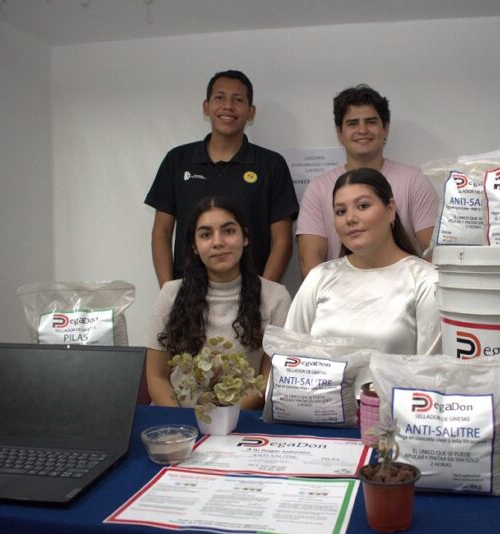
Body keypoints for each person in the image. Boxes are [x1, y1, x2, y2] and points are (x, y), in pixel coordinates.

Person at [285, 168, 441, 391]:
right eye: (340, 211)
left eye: (363, 206)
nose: (350, 218)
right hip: (318, 409)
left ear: (390, 210)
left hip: (394, 411)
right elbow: (289, 359)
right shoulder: (319, 277)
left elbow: (431, 374)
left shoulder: (425, 280)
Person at [145, 70, 299, 287]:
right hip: (188, 292)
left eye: (238, 99)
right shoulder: (177, 160)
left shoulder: (271, 165)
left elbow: (282, 241)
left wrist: (262, 294)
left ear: (251, 111)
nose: (228, 106)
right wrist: (168, 291)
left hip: (250, 292)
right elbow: (161, 233)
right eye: (220, 97)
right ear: (206, 107)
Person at [146, 196, 291, 409]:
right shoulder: (170, 294)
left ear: (245, 238)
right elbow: (157, 376)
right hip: (177, 418)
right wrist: (182, 421)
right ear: (194, 246)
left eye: (228, 231)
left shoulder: (276, 297)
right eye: (206, 235)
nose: (218, 242)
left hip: (243, 419)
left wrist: (222, 420)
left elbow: (269, 380)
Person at [296, 84, 439, 278]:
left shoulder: (414, 181)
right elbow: (310, 259)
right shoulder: (318, 188)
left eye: (370, 122)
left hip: (405, 290)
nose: (362, 130)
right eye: (352, 123)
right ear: (340, 133)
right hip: (339, 291)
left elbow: (434, 254)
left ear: (385, 128)